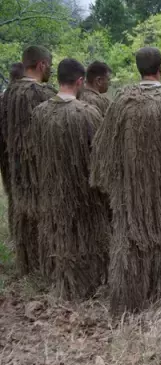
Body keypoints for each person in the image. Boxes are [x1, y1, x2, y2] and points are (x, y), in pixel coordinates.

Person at [89, 47, 161, 314]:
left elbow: (104, 151)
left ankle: (128, 305)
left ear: (139, 69)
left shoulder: (121, 101)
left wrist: (110, 186)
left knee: (130, 242)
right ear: (160, 69)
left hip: (130, 192)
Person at [30, 58, 109, 299]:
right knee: (86, 236)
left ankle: (60, 281)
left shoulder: (39, 113)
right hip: (83, 190)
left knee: (58, 233)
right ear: (80, 81)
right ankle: (87, 285)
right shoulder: (87, 113)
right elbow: (100, 155)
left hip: (50, 187)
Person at [0, 46, 56, 275]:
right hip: (39, 166)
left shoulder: (8, 93)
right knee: (41, 214)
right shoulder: (41, 94)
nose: (50, 69)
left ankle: (26, 264)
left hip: (14, 165)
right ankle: (44, 265)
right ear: (41, 64)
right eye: (49, 65)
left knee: (21, 210)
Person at [0, 62, 25, 234]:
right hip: (20, 157)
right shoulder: (22, 97)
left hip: (6, 157)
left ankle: (15, 234)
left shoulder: (4, 98)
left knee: (12, 196)